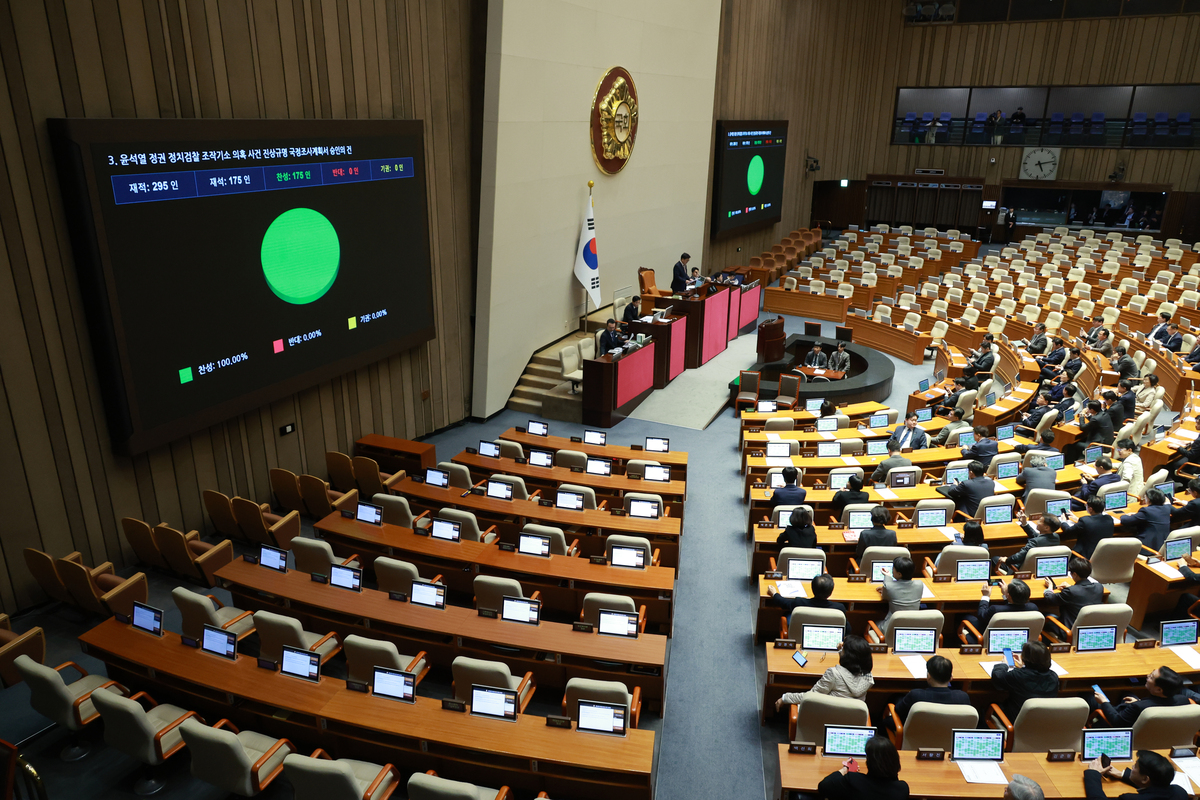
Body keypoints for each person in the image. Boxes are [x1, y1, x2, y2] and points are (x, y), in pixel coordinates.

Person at [775, 634, 874, 713]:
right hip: (850, 721)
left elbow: (811, 697)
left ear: (847, 656)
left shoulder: (833, 674)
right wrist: (841, 650)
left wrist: (785, 698)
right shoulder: (867, 677)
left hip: (826, 718)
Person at [880, 655, 969, 734]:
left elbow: (898, 711)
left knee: (894, 702)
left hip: (915, 738)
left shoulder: (916, 695)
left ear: (929, 676)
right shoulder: (963, 698)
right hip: (949, 741)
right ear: (951, 677)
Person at [1088, 666, 1187, 728]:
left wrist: (1104, 702)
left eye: (1151, 677)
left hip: (1121, 725)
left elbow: (1116, 722)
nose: (1147, 676)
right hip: (1160, 731)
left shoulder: (1138, 707)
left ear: (1158, 690)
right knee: (1127, 694)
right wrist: (1138, 701)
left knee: (1090, 697)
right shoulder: (1184, 700)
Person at [815, 735, 909, 800]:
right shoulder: (902, 789)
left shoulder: (853, 780)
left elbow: (823, 786)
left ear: (870, 762)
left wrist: (844, 769)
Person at [990, 641, 1061, 722]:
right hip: (1044, 722)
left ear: (1024, 658)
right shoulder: (1053, 677)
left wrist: (1004, 664)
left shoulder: (1018, 676)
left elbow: (998, 677)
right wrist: (1024, 666)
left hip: (1017, 721)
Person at [1084, 749, 1187, 800]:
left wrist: (1093, 774)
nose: (1132, 767)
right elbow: (1156, 789)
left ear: (1145, 779)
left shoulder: (1129, 799)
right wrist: (1122, 774)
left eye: (1135, 767)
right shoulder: (1180, 792)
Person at [1043, 556, 1104, 628]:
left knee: (1043, 615)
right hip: (1088, 627)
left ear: (1075, 574)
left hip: (1068, 629)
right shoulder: (1099, 587)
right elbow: (1083, 593)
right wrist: (1071, 587)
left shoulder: (1071, 591)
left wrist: (1050, 587)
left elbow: (1049, 599)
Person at [965, 578, 1037, 638]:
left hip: (992, 636)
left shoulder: (995, 610)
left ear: (1009, 596)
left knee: (965, 616)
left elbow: (981, 616)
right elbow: (1013, 606)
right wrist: (1006, 595)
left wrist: (985, 596)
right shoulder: (1033, 608)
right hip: (1021, 636)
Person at [766, 572, 846, 616]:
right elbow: (847, 629)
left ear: (812, 588)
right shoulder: (839, 608)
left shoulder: (799, 603)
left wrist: (774, 593)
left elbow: (783, 602)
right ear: (831, 592)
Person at [878, 556, 922, 632]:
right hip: (912, 626)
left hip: (891, 628)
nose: (892, 570)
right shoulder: (920, 584)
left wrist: (887, 577)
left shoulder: (889, 587)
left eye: (893, 568)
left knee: (874, 622)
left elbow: (884, 596)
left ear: (899, 574)